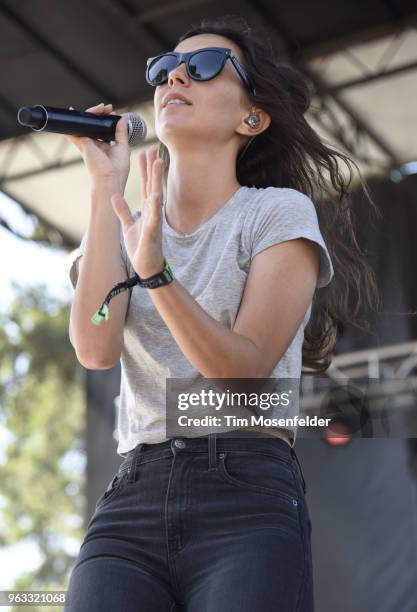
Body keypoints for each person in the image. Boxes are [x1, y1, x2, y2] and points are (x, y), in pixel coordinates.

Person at [65, 14, 380, 612]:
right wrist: (105, 188)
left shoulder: (274, 214)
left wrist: (157, 273)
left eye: (204, 66)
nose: (174, 75)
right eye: (163, 67)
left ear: (251, 118)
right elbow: (95, 347)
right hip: (133, 494)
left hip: (246, 490)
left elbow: (244, 380)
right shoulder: (126, 223)